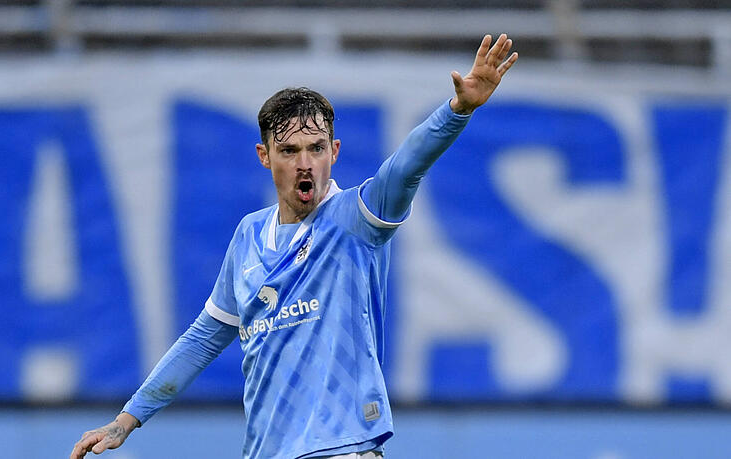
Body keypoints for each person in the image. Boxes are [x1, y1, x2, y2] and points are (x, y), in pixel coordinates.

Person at [71, 33, 517, 459]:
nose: (305, 164)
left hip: (344, 447)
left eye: (316, 148)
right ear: (264, 156)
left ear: (334, 151)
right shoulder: (248, 236)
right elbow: (204, 338)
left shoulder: (355, 220)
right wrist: (126, 420)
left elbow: (406, 167)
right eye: (289, 151)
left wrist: (458, 110)